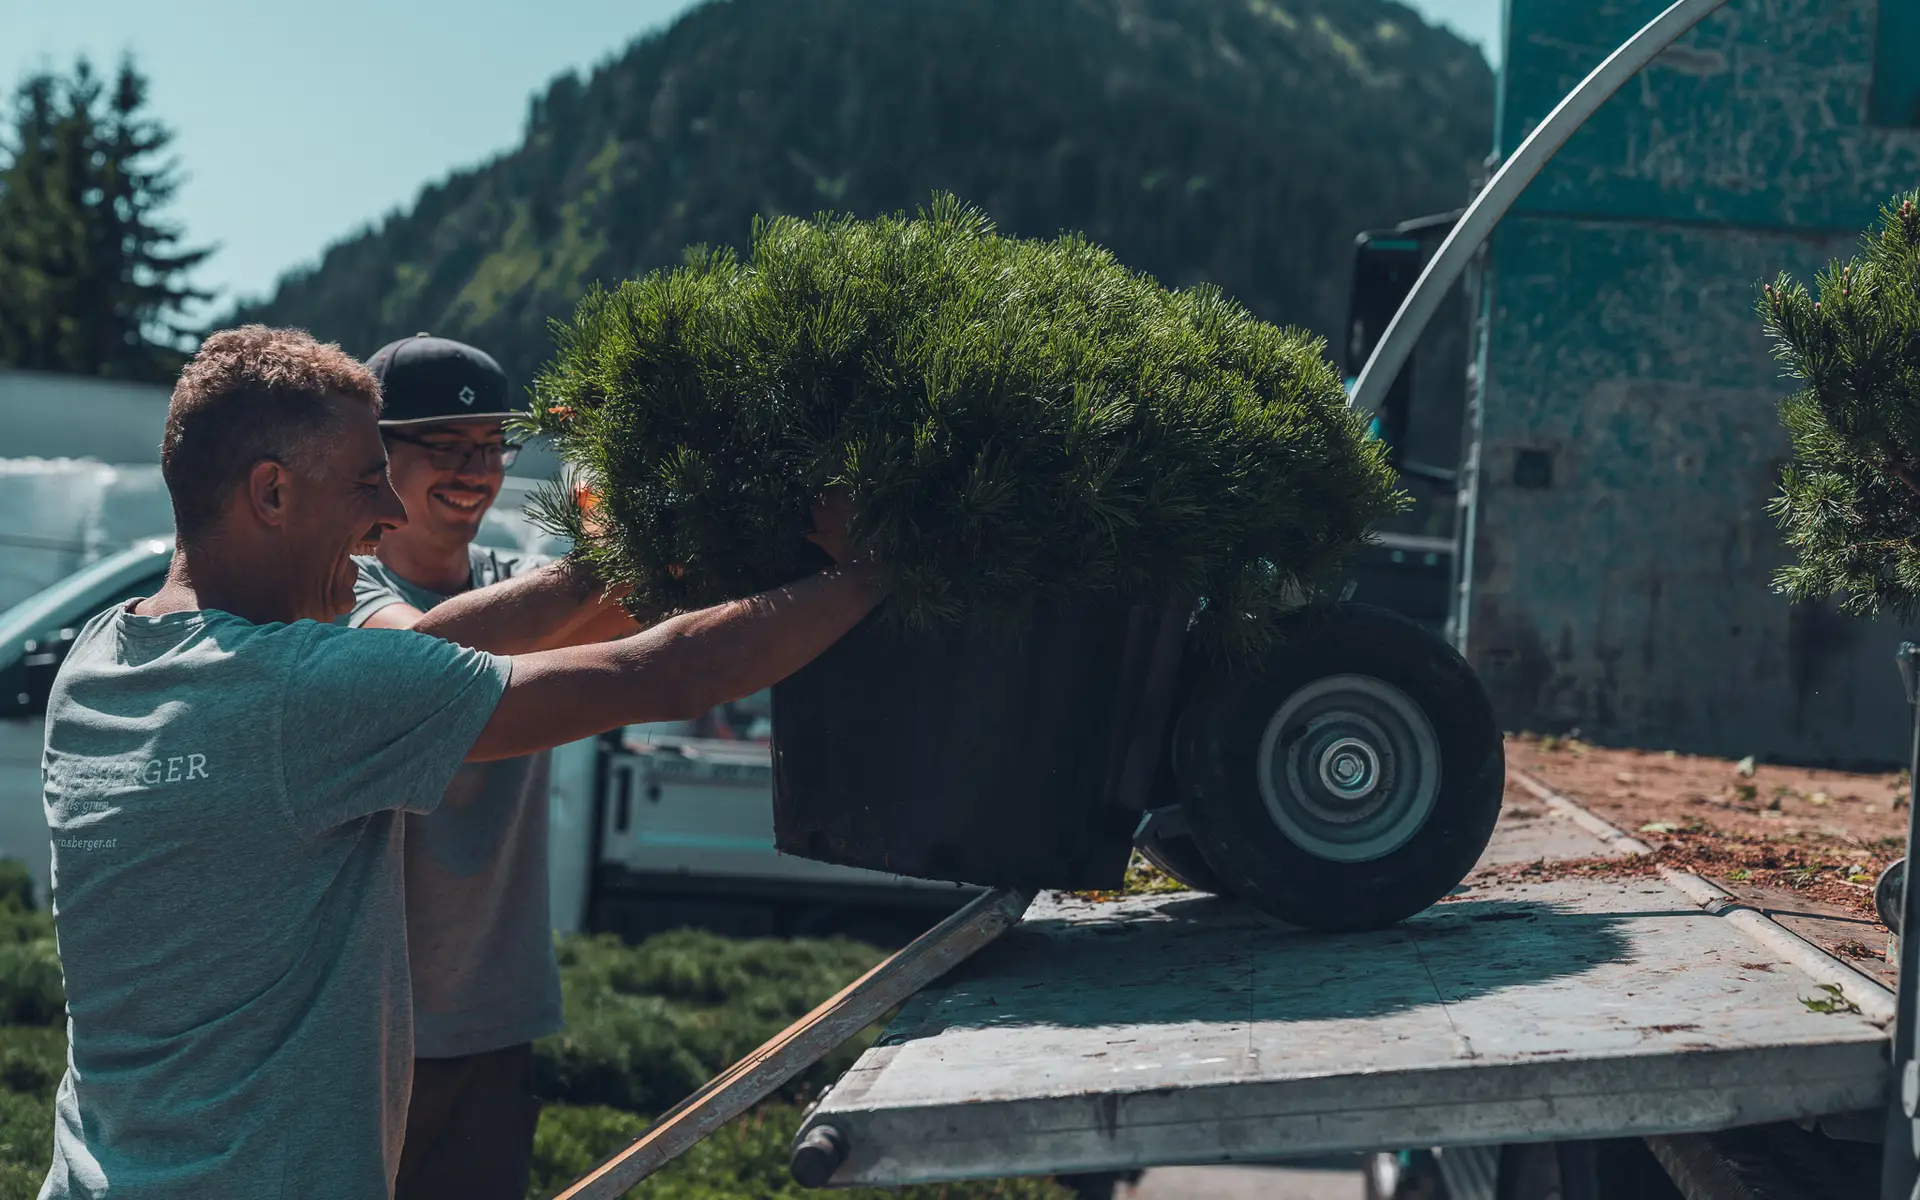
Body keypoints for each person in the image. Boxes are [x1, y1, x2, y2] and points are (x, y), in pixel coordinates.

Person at [38, 325, 877, 1200]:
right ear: (272, 492)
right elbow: (667, 674)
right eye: (366, 481)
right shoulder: (304, 695)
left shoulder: (96, 662)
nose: (391, 514)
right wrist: (869, 569)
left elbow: (448, 645)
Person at [338, 332, 630, 1199]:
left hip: (495, 1018)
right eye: (444, 446)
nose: (474, 470)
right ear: (376, 454)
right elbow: (424, 661)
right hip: (353, 1030)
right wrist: (608, 556)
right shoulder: (336, 596)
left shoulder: (525, 588)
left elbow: (653, 609)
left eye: (491, 447)